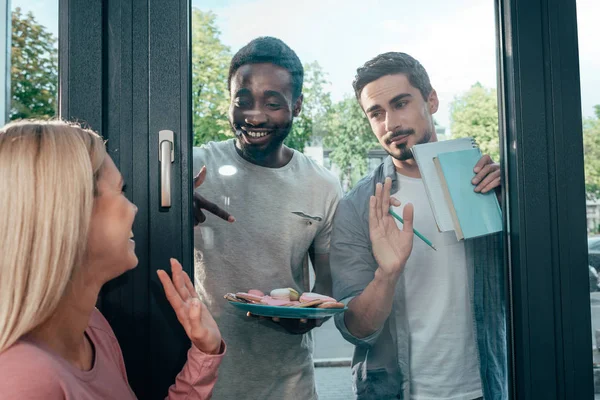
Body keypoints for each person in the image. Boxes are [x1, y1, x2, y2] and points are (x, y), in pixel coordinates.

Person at [0, 120, 225, 399]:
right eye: (120, 190)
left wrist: (205, 352)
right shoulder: (22, 380)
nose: (133, 208)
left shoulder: (92, 328)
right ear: (71, 212)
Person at [330, 53, 507, 400]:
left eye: (400, 103)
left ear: (431, 100)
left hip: (485, 387)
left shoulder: (483, 183)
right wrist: (388, 273)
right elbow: (355, 329)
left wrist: (513, 196)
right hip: (396, 393)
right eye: (376, 113)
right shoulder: (357, 206)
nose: (390, 122)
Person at [192, 36, 343, 400]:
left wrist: (313, 314)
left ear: (298, 105)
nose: (255, 115)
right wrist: (167, 212)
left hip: (288, 383)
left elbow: (328, 278)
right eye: (242, 102)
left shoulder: (321, 184)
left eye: (272, 103)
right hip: (202, 377)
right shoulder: (193, 167)